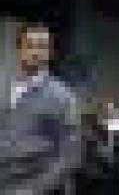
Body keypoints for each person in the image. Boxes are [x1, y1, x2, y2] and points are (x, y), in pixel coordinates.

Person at [0, 22, 82, 194]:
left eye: (42, 46)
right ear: (19, 49)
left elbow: (70, 155)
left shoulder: (63, 97)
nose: (35, 52)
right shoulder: (5, 89)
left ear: (50, 53)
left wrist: (33, 189)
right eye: (29, 45)